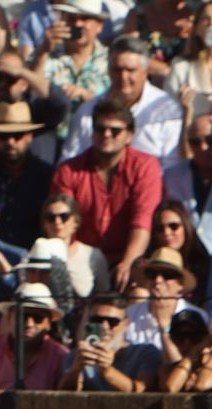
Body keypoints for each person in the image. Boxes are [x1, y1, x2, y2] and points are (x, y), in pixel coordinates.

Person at [50, 99, 164, 286]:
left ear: (129, 135)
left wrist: (128, 263)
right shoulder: (68, 171)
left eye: (115, 130)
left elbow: (142, 221)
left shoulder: (145, 167)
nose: (106, 134)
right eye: (100, 128)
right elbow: (63, 225)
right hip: (82, 258)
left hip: (130, 257)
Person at [61, 36, 184, 166]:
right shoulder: (87, 112)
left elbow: (173, 168)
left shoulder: (167, 110)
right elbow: (69, 162)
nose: (123, 77)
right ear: (108, 70)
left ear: (145, 72)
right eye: (117, 70)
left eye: (130, 70)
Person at [0, 102, 56, 251]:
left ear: (29, 136)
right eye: (3, 136)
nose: (10, 142)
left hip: (34, 258)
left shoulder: (45, 175)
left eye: (17, 136)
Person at [0, 50, 70, 173]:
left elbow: (62, 103)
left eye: (10, 78)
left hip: (41, 184)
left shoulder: (40, 111)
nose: (2, 84)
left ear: (24, 83)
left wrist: (22, 72)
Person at [0, 282, 72, 389]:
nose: (29, 324)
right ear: (9, 318)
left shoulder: (61, 356)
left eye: (37, 318)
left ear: (49, 324)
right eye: (22, 316)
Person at [32, 0, 111, 133]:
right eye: (71, 18)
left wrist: (88, 97)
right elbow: (32, 93)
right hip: (51, 136)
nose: (78, 24)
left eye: (85, 19)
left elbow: (119, 106)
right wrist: (43, 51)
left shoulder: (110, 60)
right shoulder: (46, 55)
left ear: (99, 26)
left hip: (93, 140)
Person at [58, 293, 161, 391]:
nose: (104, 327)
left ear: (126, 323)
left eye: (112, 321)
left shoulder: (144, 353)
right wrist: (76, 370)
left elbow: (143, 391)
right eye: (97, 320)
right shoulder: (79, 355)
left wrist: (107, 371)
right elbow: (63, 395)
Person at [37, 191, 110, 299]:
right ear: (44, 224)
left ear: (75, 221)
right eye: (50, 217)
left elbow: (103, 295)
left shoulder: (93, 255)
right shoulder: (35, 254)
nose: (57, 222)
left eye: (64, 216)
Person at [159, 307, 212, 392]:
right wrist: (191, 356)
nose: (187, 342)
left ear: (204, 338)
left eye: (194, 336)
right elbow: (170, 388)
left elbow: (203, 385)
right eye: (180, 337)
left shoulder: (209, 365)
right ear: (172, 339)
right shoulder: (167, 369)